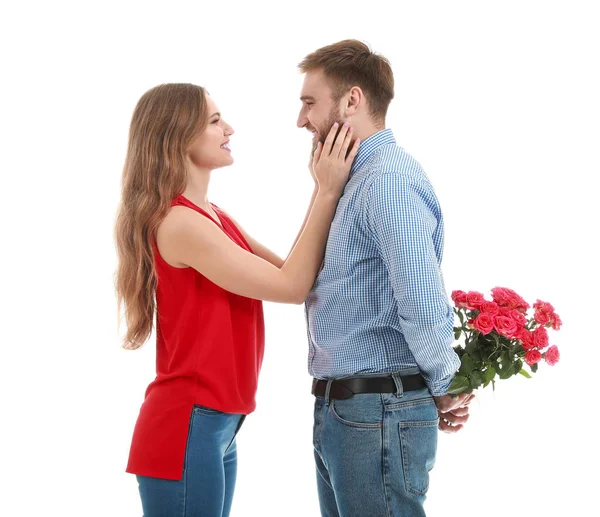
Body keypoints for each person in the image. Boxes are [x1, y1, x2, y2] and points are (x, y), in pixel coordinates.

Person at [114, 83, 359, 517]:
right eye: (213, 121)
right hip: (186, 426)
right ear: (178, 135)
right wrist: (326, 192)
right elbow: (291, 288)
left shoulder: (214, 215)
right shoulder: (181, 225)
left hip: (218, 425)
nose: (229, 128)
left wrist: (321, 188)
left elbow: (292, 270)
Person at [295, 40, 474, 517]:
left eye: (309, 103)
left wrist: (445, 381)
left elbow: (420, 296)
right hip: (351, 412)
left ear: (352, 101)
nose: (301, 121)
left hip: (378, 411)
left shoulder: (387, 179)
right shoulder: (353, 179)